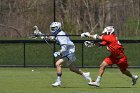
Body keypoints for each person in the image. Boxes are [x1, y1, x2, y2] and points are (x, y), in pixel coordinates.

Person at [47, 22, 92, 87]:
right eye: (52, 28)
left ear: (57, 28)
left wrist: (58, 52)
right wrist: (40, 34)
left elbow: (64, 48)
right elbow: (49, 38)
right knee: (72, 68)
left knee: (58, 63)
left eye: (54, 28)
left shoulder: (60, 35)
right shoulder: (57, 34)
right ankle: (85, 75)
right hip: (67, 52)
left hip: (69, 52)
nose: (52, 30)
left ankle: (58, 81)